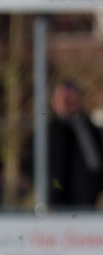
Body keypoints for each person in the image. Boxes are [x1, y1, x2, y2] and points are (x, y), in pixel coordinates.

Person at [48, 79, 103, 207]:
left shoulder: (87, 129)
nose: (67, 104)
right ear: (54, 102)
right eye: (63, 99)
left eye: (70, 99)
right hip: (56, 201)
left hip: (87, 200)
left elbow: (96, 162)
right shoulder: (48, 133)